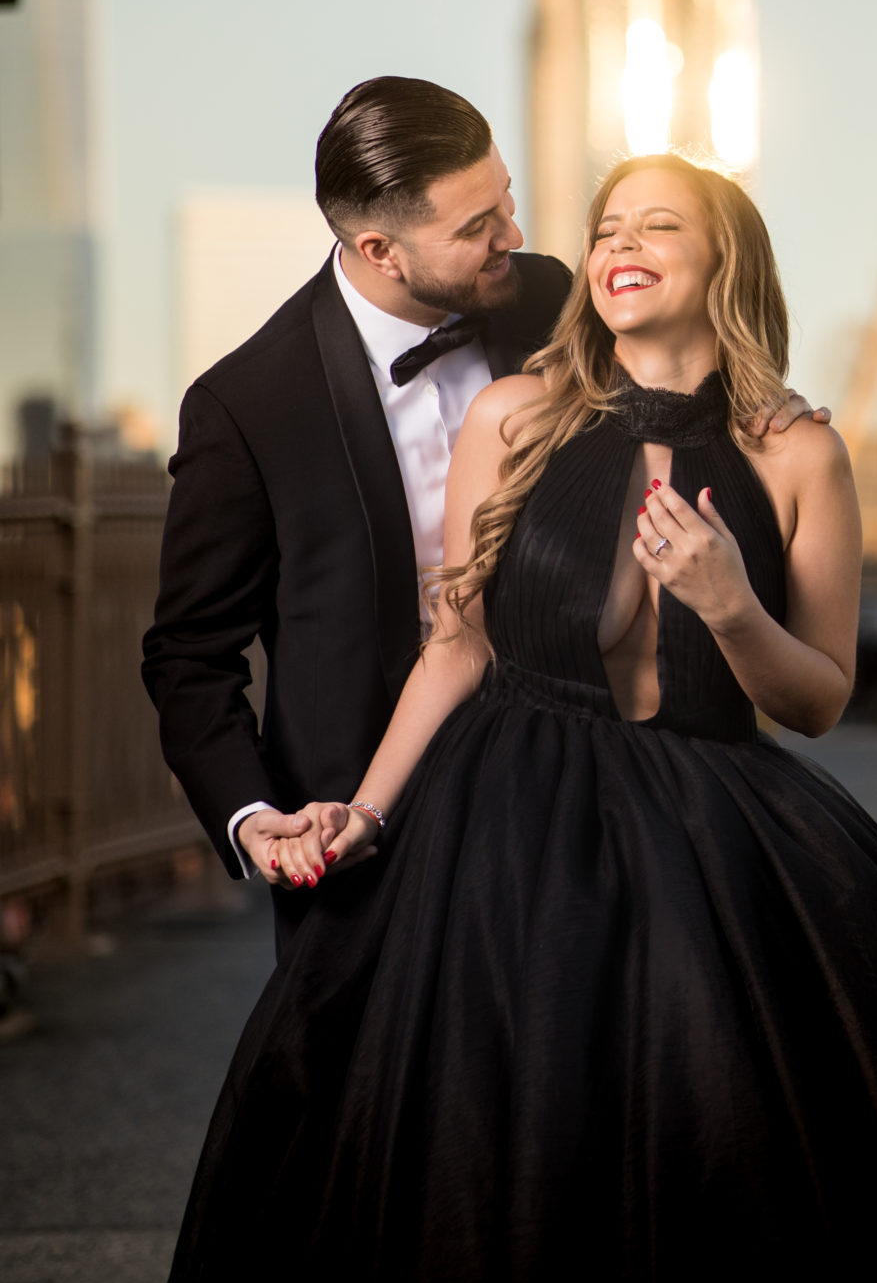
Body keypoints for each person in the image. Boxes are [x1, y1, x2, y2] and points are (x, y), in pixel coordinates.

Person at [161, 154, 877, 1283]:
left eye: (659, 225)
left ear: (727, 263)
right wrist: (366, 809)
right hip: (504, 821)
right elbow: (455, 647)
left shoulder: (801, 452)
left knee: (744, 1123)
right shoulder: (511, 420)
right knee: (492, 1131)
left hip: (717, 824)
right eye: (607, 226)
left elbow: (817, 698)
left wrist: (731, 607)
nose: (619, 244)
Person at [140, 78, 817, 949]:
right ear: (382, 248)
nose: (515, 236)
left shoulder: (551, 299)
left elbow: (681, 364)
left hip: (586, 799)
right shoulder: (248, 404)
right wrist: (251, 816)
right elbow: (190, 653)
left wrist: (768, 408)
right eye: (477, 228)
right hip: (365, 821)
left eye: (504, 200)